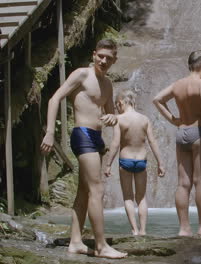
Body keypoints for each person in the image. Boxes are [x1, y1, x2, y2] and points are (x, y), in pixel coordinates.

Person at [40, 39, 127, 259]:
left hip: (97, 138)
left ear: (115, 60)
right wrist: (50, 132)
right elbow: (55, 98)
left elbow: (111, 116)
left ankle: (76, 242)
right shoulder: (81, 74)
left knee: (85, 191)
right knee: (97, 189)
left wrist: (112, 117)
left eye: (109, 57)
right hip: (83, 135)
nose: (104, 60)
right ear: (94, 54)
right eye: (101, 56)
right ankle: (100, 246)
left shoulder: (107, 84)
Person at [153, 50, 201, 239]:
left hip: (182, 133)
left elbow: (157, 99)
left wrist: (174, 120)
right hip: (200, 132)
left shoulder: (178, 85)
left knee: (183, 183)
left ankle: (184, 229)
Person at [105, 89, 166, 236]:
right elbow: (152, 142)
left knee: (128, 197)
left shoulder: (119, 119)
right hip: (141, 161)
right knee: (141, 197)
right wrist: (160, 163)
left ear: (121, 103)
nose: (116, 109)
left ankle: (134, 230)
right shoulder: (144, 119)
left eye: (116, 105)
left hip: (125, 161)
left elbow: (115, 143)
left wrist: (108, 164)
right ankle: (144, 230)